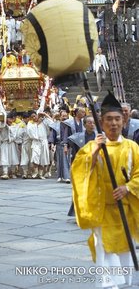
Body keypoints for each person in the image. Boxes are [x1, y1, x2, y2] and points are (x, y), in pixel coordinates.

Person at [72, 92, 139, 288]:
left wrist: (128, 187)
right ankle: (109, 284)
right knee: (105, 247)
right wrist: (93, 154)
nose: (113, 123)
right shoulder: (92, 146)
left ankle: (123, 281)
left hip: (124, 207)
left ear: (124, 121)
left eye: (117, 119)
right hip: (102, 208)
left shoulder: (132, 147)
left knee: (124, 246)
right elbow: (79, 171)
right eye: (109, 119)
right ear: (101, 122)